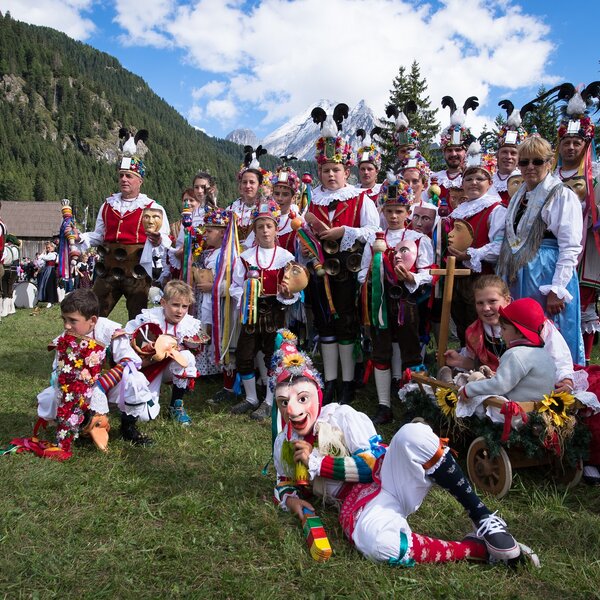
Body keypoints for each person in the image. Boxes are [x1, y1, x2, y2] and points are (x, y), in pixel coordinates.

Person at [270, 335, 530, 566]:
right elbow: (284, 482)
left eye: (302, 399)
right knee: (377, 545)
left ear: (317, 395)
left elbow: (370, 466)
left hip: (390, 475)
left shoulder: (340, 416)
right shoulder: (284, 443)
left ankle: (482, 517)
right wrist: (294, 502)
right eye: (284, 402)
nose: (292, 410)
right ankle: (477, 550)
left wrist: (318, 462)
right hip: (358, 505)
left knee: (413, 434)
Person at [5, 289, 154, 458]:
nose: (67, 325)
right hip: (77, 390)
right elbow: (58, 370)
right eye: (64, 319)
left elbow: (130, 361)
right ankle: (79, 425)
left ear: (92, 320)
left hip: (109, 387)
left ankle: (128, 427)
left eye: (73, 320)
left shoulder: (110, 330)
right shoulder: (65, 337)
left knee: (135, 380)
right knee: (51, 397)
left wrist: (102, 383)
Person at [305, 105, 380, 405]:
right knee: (325, 326)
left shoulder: (360, 198)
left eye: (336, 169)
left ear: (346, 171)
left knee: (346, 325)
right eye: (326, 170)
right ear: (319, 171)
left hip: (348, 273)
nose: (331, 175)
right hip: (319, 272)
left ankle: (348, 383)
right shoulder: (313, 201)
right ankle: (331, 381)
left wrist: (343, 232)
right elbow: (303, 238)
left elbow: (373, 233)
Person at [498, 135, 585, 365]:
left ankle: (558, 386)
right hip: (520, 274)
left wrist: (557, 289)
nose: (529, 167)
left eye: (537, 161)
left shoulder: (561, 194)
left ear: (549, 162)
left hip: (546, 274)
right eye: (524, 162)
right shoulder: (520, 195)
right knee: (523, 329)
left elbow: (570, 246)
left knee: (549, 330)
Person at [358, 176, 433, 424]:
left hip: (407, 304)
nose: (393, 216)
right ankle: (383, 405)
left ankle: (412, 402)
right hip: (380, 304)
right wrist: (372, 278)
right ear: (382, 210)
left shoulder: (419, 239)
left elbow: (428, 274)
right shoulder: (375, 239)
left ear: (408, 211)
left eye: (398, 211)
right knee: (380, 351)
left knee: (410, 352)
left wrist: (410, 276)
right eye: (388, 210)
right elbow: (362, 271)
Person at [71, 145, 171, 320]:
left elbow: (165, 239)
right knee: (95, 311)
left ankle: (136, 347)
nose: (124, 179)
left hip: (137, 270)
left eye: (129, 176)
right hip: (108, 268)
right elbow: (99, 235)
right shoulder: (108, 205)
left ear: (140, 181)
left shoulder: (152, 207)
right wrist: (81, 237)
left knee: (137, 316)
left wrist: (157, 241)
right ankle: (90, 346)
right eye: (121, 175)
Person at [229, 199, 301, 419]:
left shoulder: (286, 257)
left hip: (275, 311)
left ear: (276, 228)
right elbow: (235, 285)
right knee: (244, 353)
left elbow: (295, 288)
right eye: (260, 226)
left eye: (269, 226)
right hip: (251, 311)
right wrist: (247, 298)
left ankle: (269, 401)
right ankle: (251, 397)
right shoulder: (245, 257)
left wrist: (288, 294)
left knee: (273, 355)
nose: (265, 230)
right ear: (255, 230)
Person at [552, 84, 600, 365]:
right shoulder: (551, 175)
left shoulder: (595, 177)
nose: (571, 147)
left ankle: (579, 368)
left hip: (584, 254)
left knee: (583, 312)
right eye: (566, 142)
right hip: (551, 250)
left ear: (585, 144)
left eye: (577, 142)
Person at [446, 143, 506, 345]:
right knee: (462, 321)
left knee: (485, 323)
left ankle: (487, 364)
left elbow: (499, 245)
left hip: (484, 278)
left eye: (480, 178)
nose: (473, 182)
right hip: (458, 276)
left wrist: (471, 255)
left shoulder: (495, 210)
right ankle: (466, 365)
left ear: (490, 183)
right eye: (468, 178)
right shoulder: (458, 212)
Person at [459, 299, 556, 419]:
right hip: (540, 411)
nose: (501, 332)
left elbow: (500, 385)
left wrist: (468, 390)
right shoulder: (544, 353)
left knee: (476, 402)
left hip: (517, 414)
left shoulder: (515, 354)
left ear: (520, 332)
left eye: (504, 329)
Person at [126, 280, 202, 427]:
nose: (180, 311)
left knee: (187, 357)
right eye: (175, 305)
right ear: (163, 302)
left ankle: (176, 406)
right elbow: (130, 339)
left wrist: (183, 346)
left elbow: (195, 346)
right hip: (147, 367)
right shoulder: (148, 318)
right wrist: (147, 347)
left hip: (169, 367)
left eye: (184, 306)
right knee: (144, 416)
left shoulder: (188, 323)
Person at [432, 95, 479, 207]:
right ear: (444, 152)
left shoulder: (474, 179)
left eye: (458, 150)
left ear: (466, 152)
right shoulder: (434, 179)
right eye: (449, 150)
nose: (453, 154)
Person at [229, 149, 270, 247]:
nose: (247, 186)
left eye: (252, 182)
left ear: (259, 185)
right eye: (244, 182)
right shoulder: (233, 207)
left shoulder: (264, 206)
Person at [493, 100, 529, 206]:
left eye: (513, 153)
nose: (508, 157)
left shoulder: (526, 181)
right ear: (497, 155)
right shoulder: (488, 180)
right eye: (504, 152)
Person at [36, 241, 59, 308]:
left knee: (50, 286)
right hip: (47, 270)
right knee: (46, 285)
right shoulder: (48, 254)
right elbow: (40, 261)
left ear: (53, 247)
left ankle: (51, 301)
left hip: (51, 271)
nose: (48, 249)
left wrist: (43, 253)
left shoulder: (53, 254)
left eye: (49, 247)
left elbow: (43, 258)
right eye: (47, 248)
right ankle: (50, 300)